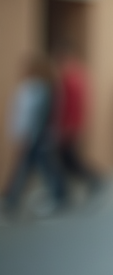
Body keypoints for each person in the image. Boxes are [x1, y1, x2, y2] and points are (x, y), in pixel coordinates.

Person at [3, 55, 67, 217]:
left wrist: (34, 135)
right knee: (32, 167)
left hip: (38, 136)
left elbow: (40, 116)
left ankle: (12, 200)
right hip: (38, 135)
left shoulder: (41, 89)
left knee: (39, 167)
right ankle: (11, 199)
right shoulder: (42, 87)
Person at [54, 44, 105, 193]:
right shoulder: (79, 73)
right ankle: (90, 181)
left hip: (69, 126)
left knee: (69, 160)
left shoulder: (69, 76)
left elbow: (68, 105)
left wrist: (65, 127)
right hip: (74, 124)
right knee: (68, 159)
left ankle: (94, 179)